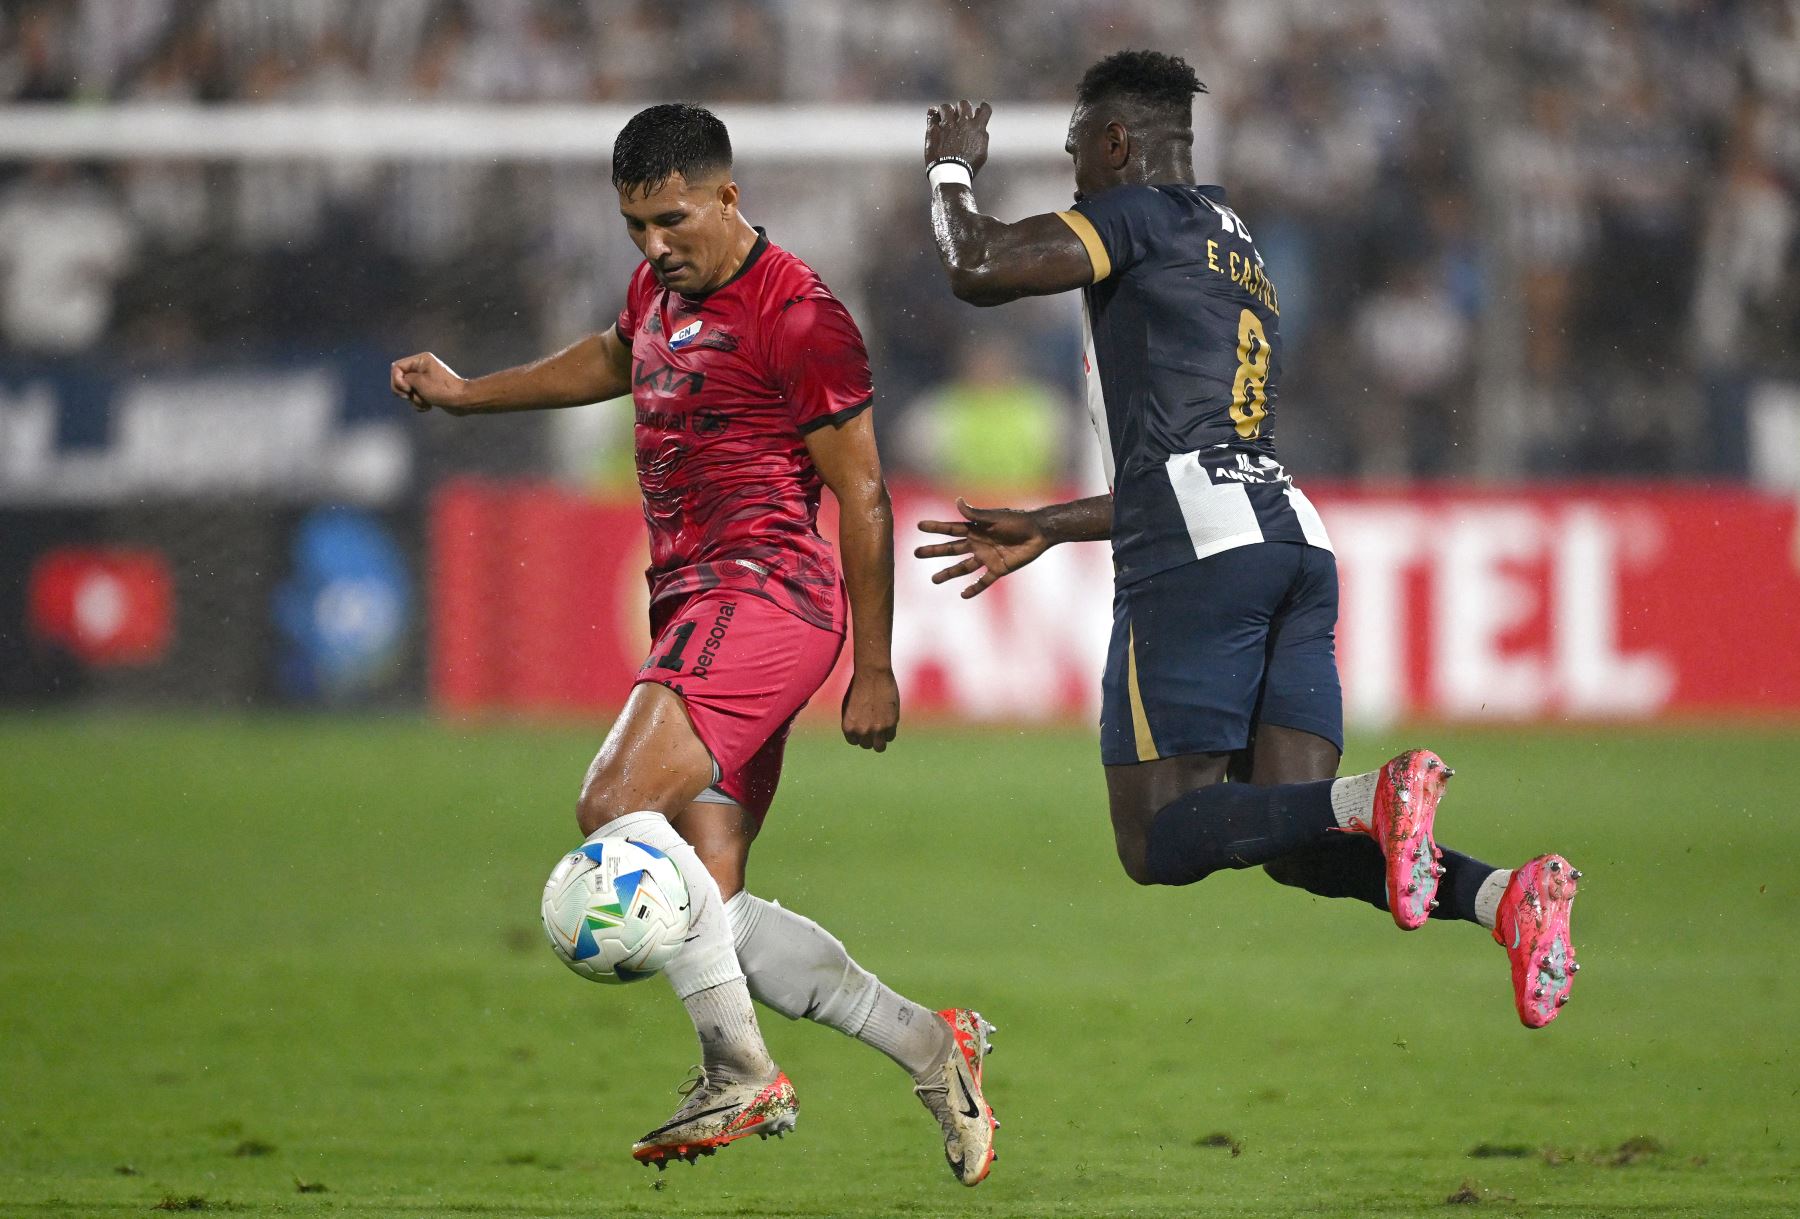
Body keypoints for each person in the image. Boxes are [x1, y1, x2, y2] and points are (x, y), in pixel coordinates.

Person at [391, 103, 998, 1183]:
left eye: (670, 219)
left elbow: (862, 493)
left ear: (727, 193)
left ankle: (738, 1071)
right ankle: (926, 1043)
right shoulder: (658, 288)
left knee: (610, 802)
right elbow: (611, 356)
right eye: (634, 226)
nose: (654, 245)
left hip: (767, 597)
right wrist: (471, 395)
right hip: (693, 602)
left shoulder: (801, 315)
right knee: (703, 908)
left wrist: (873, 662)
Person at [913, 52, 1579, 1029]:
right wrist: (1055, 526)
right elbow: (1199, 452)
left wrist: (950, 171)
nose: (1073, 185)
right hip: (1288, 537)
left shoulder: (1140, 214)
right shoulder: (1238, 244)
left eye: (1074, 159)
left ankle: (1379, 792)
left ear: (1116, 144)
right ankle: (1502, 897)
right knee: (1295, 836)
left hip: (1196, 552)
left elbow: (978, 268)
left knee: (1158, 839)